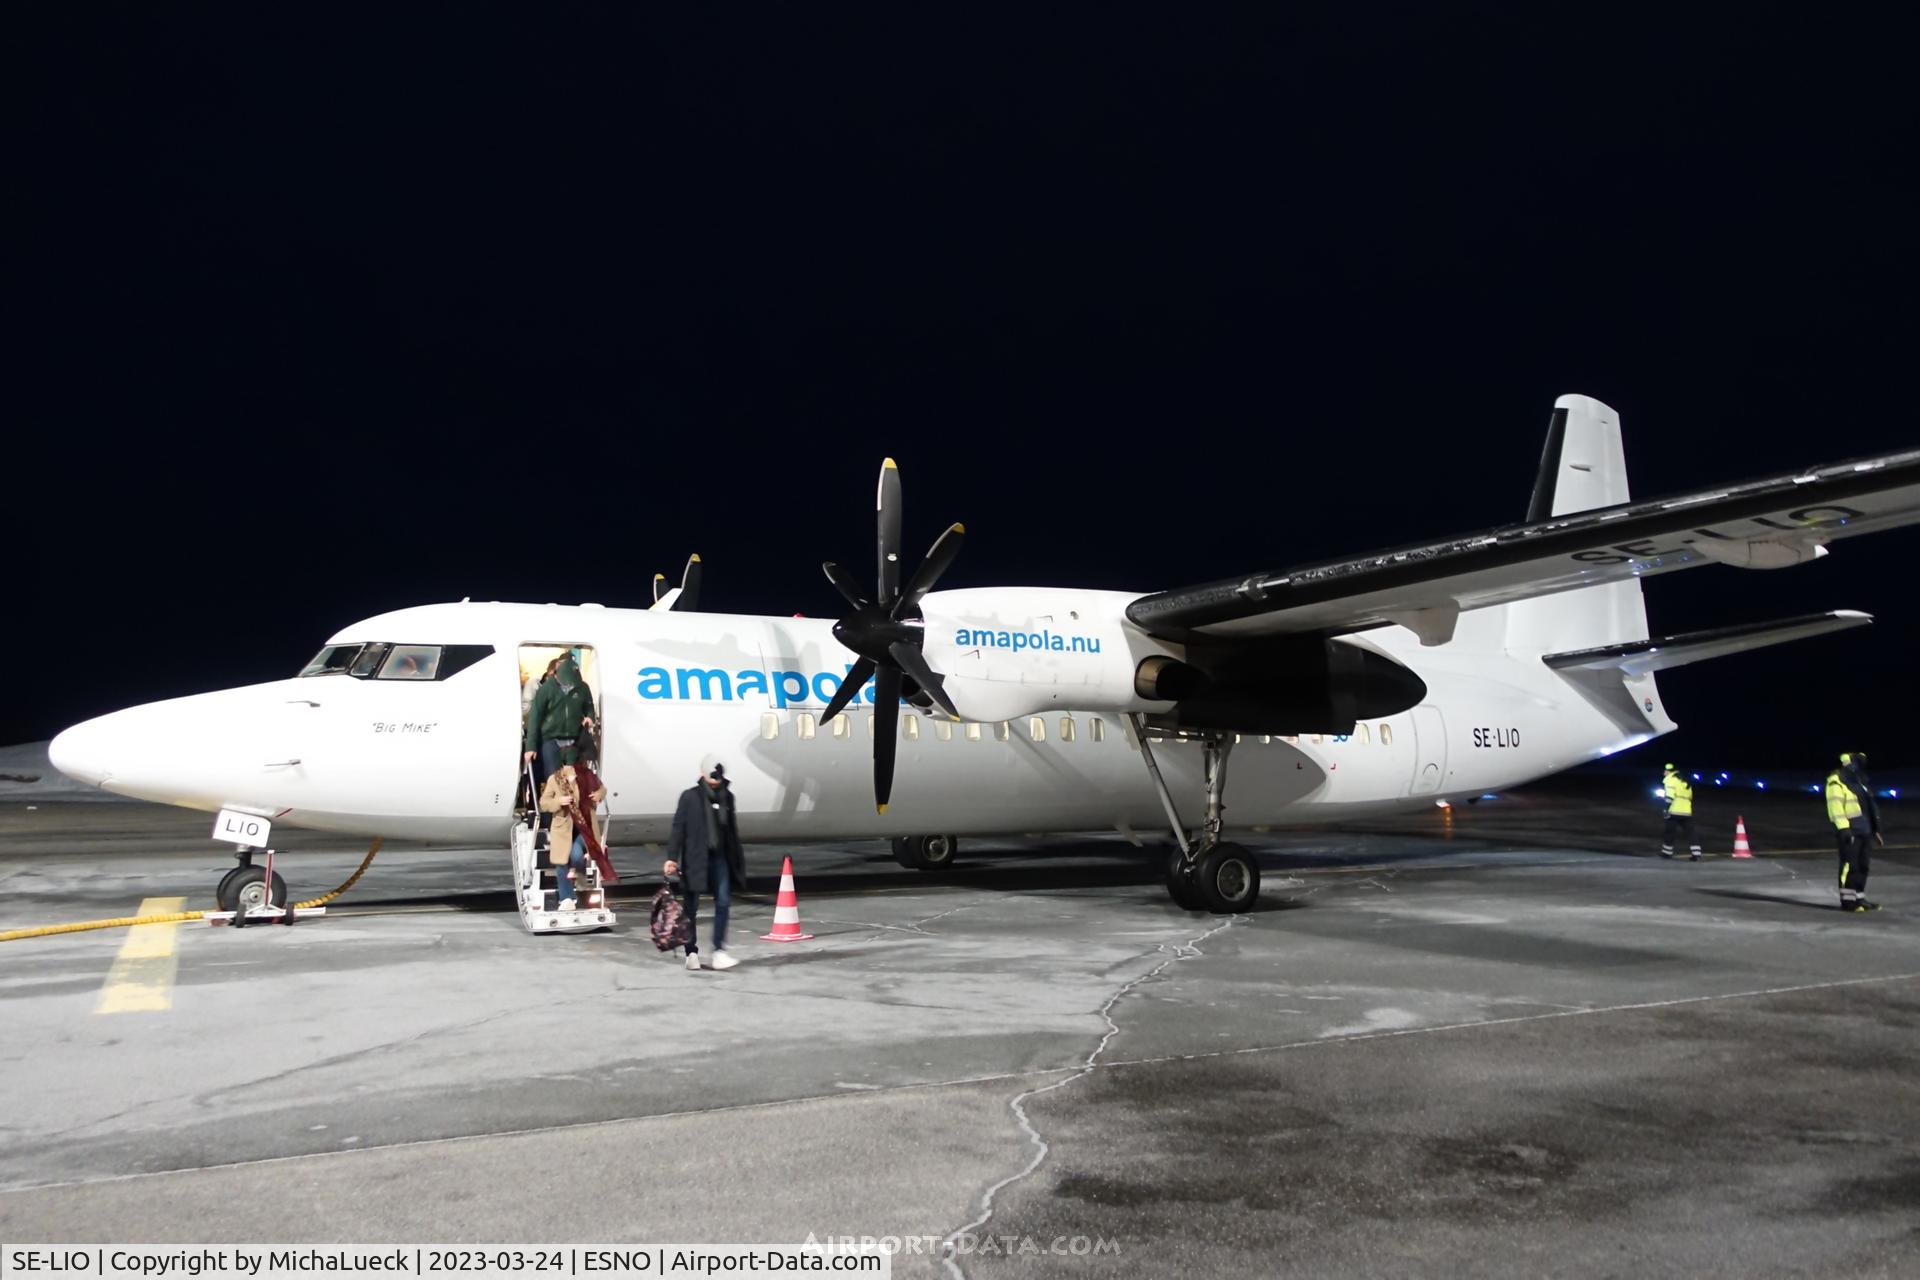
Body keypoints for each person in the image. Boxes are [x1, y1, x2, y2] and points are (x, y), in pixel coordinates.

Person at [663, 754, 746, 971]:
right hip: (695, 859)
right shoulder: (690, 797)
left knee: (723, 903)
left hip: (720, 858)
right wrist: (672, 857)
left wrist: (737, 859)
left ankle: (719, 950)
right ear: (703, 774)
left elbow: (732, 832)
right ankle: (691, 952)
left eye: (718, 776)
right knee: (691, 908)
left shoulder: (728, 797)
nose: (716, 781)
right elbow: (678, 827)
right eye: (712, 776)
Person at [523, 650, 596, 793]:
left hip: (575, 740)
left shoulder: (582, 687)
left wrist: (590, 716)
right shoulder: (547, 688)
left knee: (575, 780)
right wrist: (531, 746)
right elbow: (535, 717)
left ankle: (573, 813)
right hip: (551, 739)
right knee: (552, 780)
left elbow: (589, 706)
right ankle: (549, 814)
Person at [539, 762, 609, 911]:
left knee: (576, 854)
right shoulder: (554, 780)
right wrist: (559, 801)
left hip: (584, 827)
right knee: (561, 862)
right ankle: (567, 898)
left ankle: (581, 877)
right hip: (563, 828)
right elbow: (544, 803)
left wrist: (598, 795)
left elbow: (602, 789)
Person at [1825, 751, 1883, 912]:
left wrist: (1875, 830)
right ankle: (1848, 902)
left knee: (1863, 866)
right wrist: (1843, 829)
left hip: (1865, 830)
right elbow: (1835, 808)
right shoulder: (1836, 781)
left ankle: (1859, 898)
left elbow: (1869, 807)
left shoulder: (1859, 781)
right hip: (1850, 831)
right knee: (1850, 866)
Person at [1659, 763, 1701, 861]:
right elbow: (1690, 797)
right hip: (1686, 811)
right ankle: (1696, 853)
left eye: (1665, 771)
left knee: (1669, 832)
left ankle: (1666, 853)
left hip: (1674, 811)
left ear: (1669, 772)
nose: (1663, 773)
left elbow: (1670, 797)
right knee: (1691, 833)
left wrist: (1665, 809)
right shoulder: (1685, 781)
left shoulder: (1670, 781)